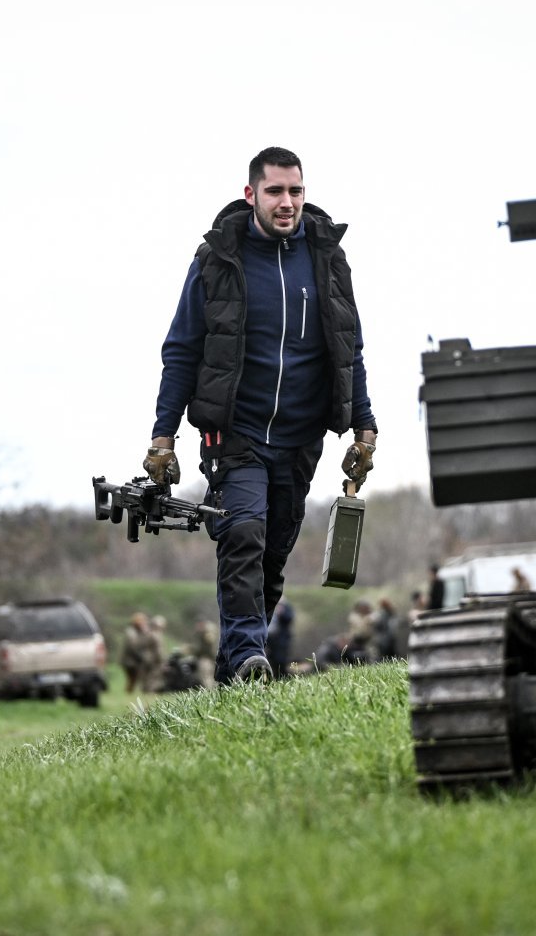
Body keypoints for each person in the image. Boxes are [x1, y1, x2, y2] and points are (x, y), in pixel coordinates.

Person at [144, 147, 378, 684]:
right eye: (275, 191)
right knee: (243, 534)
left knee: (273, 555)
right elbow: (182, 349)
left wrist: (365, 426)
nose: (287, 202)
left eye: (296, 191)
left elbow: (348, 348)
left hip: (300, 437)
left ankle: (236, 671)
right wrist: (163, 435)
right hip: (236, 432)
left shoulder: (327, 258)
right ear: (251, 194)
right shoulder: (216, 261)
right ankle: (251, 653)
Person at [121, 612, 151, 693]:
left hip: (134, 660)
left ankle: (129, 693)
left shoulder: (138, 632)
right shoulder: (131, 632)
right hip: (130, 661)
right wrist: (140, 656)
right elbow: (133, 647)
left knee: (134, 679)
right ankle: (129, 693)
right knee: (132, 678)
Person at [266, 601, 295, 678]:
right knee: (270, 660)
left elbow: (289, 618)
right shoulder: (267, 604)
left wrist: (281, 612)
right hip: (269, 641)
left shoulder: (285, 606)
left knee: (281, 661)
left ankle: (283, 678)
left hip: (281, 641)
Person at [190, 617, 218, 688]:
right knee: (207, 677)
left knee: (206, 677)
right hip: (209, 658)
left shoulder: (207, 633)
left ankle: (210, 692)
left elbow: (207, 648)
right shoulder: (204, 633)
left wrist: (193, 650)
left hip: (206, 658)